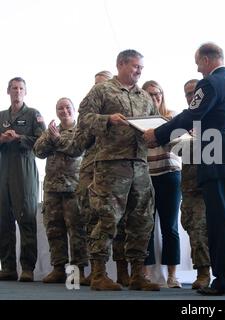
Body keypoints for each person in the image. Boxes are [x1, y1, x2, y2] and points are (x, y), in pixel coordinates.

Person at [144, 43, 225, 295]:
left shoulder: (210, 83)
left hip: (218, 162)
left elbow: (191, 115)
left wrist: (158, 134)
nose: (197, 68)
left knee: (220, 225)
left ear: (206, 59)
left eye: (198, 62)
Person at [77, 49, 159, 291]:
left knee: (142, 220)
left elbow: (154, 123)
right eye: (135, 67)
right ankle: (99, 274)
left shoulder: (145, 96)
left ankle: (137, 274)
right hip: (111, 166)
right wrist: (107, 120)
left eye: (141, 68)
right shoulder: (102, 90)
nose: (139, 71)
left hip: (140, 165)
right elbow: (83, 119)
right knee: (106, 219)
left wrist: (156, 136)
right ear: (121, 64)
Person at [53, 70, 130, 287]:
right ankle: (98, 272)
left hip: (117, 173)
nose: (98, 90)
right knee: (92, 220)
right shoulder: (90, 118)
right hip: (90, 173)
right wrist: (58, 140)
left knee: (119, 222)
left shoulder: (123, 114)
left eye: (103, 86)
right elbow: (76, 146)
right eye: (95, 86)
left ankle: (123, 271)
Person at [33, 97, 89, 285]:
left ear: (74, 110)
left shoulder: (80, 130)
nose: (64, 111)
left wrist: (58, 139)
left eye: (67, 107)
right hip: (52, 189)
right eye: (60, 108)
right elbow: (38, 151)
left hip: (73, 188)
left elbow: (77, 150)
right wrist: (50, 137)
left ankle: (77, 272)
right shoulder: (51, 130)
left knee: (76, 231)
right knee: (54, 230)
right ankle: (58, 269)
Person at [0, 77, 46, 282]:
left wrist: (19, 138)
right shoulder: (1, 116)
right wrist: (2, 139)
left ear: (25, 92)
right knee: (3, 220)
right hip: (3, 169)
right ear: (8, 91)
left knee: (26, 217)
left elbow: (42, 142)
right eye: (13, 88)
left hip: (24, 169)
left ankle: (27, 267)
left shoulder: (33, 114)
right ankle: (8, 267)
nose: (17, 91)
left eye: (20, 88)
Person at [141, 80, 182, 288]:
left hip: (170, 175)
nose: (154, 97)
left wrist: (159, 135)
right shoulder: (138, 121)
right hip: (146, 177)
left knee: (170, 227)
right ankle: (145, 274)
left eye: (157, 94)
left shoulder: (172, 117)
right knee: (145, 227)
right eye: (149, 94)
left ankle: (172, 275)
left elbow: (179, 145)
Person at [179, 79, 211, 289]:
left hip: (209, 185)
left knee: (204, 231)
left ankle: (205, 273)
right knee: (192, 227)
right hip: (189, 186)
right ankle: (202, 271)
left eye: (194, 93)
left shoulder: (210, 116)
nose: (191, 97)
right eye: (188, 94)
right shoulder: (183, 120)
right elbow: (177, 150)